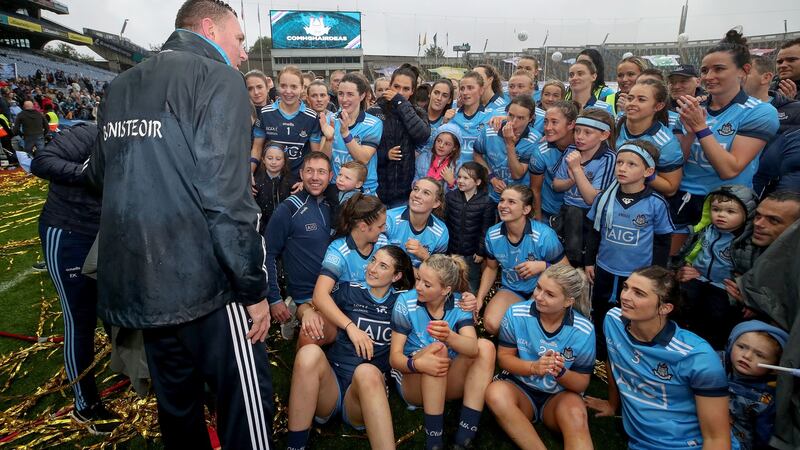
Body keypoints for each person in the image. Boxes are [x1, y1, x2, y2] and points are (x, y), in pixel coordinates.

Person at [86, 1, 274, 448]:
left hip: (142, 285)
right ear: (208, 28)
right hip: (207, 282)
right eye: (239, 39)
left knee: (177, 410)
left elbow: (99, 174)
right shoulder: (218, 78)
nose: (243, 53)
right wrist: (253, 289)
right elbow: (226, 200)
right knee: (246, 409)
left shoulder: (121, 85)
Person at [585, 266, 734, 450]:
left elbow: (717, 439)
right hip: (642, 443)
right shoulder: (613, 320)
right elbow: (614, 361)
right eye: (626, 287)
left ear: (665, 307)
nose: (625, 296)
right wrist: (612, 404)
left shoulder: (697, 356)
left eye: (638, 293)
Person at [31, 124, 119, 434]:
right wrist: (87, 171)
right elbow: (41, 161)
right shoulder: (88, 134)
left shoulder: (136, 139)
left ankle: (123, 368)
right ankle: (85, 406)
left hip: (105, 234)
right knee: (79, 320)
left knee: (113, 310)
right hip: (69, 232)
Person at [286, 246, 415, 450]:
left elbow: (439, 294)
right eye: (373, 261)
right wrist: (306, 313)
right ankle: (295, 445)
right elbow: (307, 305)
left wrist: (467, 300)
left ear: (397, 275)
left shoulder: (403, 303)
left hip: (363, 394)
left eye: (382, 266)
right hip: (331, 385)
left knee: (367, 371)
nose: (372, 268)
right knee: (309, 353)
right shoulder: (348, 290)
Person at [671, 29, 779, 247]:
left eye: (719, 69)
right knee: (672, 266)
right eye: (704, 70)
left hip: (725, 206)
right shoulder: (693, 108)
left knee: (709, 269)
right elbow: (676, 162)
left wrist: (700, 128)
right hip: (683, 198)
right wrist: (689, 135)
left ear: (743, 71)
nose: (709, 76)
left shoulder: (760, 112)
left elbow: (729, 169)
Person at [485, 264, 595, 450]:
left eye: (549, 294)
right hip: (521, 390)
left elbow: (581, 384)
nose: (538, 296)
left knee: (576, 413)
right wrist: (533, 368)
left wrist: (560, 372)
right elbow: (504, 358)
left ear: (568, 302)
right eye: (538, 287)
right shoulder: (516, 313)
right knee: (495, 393)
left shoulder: (583, 330)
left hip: (559, 397)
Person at [389, 254, 492, 450]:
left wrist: (450, 336)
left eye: (427, 285)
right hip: (414, 381)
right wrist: (417, 363)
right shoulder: (405, 302)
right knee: (438, 350)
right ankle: (434, 442)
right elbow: (395, 359)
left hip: (446, 379)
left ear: (446, 290)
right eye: (418, 279)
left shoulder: (460, 303)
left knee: (485, 346)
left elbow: (472, 348)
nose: (418, 287)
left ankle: (464, 438)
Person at [588, 140, 674, 358]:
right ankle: (600, 352)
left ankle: (627, 352)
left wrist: (656, 275)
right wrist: (589, 261)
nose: (622, 168)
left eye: (631, 164)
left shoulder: (656, 203)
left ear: (648, 170)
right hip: (605, 269)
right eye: (620, 162)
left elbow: (663, 241)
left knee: (631, 313)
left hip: (637, 275)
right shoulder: (604, 198)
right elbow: (594, 232)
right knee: (599, 309)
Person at [477, 185, 566, 335]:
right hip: (512, 289)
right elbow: (491, 268)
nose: (503, 205)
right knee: (491, 324)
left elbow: (566, 269)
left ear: (526, 209)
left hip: (542, 290)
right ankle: (513, 346)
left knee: (530, 325)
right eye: (502, 200)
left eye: (511, 202)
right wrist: (480, 298)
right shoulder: (493, 234)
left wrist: (544, 265)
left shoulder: (544, 235)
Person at [676, 185, 756, 349]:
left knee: (717, 315)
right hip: (698, 277)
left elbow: (754, 273)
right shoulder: (703, 230)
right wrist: (681, 267)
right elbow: (684, 252)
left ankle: (711, 348)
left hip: (724, 287)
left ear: (747, 215)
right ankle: (679, 339)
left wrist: (749, 298)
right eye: (716, 209)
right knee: (682, 302)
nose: (721, 215)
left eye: (730, 212)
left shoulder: (748, 242)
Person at [264, 152, 333, 336]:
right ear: (301, 174)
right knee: (316, 337)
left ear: (330, 176)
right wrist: (274, 299)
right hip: (306, 296)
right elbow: (267, 253)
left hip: (333, 294)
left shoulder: (332, 205)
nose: (315, 177)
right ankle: (295, 308)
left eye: (321, 172)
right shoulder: (289, 209)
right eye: (310, 171)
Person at [307, 194, 388, 347]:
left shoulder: (383, 244)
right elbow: (319, 295)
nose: (384, 229)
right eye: (380, 226)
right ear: (363, 226)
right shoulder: (339, 251)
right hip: (345, 314)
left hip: (375, 313)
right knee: (311, 332)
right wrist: (350, 327)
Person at [553, 109, 617, 268]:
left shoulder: (609, 158)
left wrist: (576, 170)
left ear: (604, 135)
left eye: (587, 132)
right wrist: (571, 180)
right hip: (567, 212)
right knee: (563, 260)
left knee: (581, 264)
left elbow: (591, 199)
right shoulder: (570, 150)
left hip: (589, 217)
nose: (579, 137)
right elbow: (556, 185)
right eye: (577, 131)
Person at [368, 64, 431, 208]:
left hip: (404, 191)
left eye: (406, 89)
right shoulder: (374, 111)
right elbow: (362, 149)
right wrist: (384, 154)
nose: (400, 92)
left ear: (412, 91)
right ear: (390, 86)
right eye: (396, 87)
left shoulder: (418, 112)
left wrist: (401, 103)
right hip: (377, 189)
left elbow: (423, 135)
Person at [251, 65, 322, 182]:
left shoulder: (311, 117)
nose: (288, 91)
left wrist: (305, 181)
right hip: (269, 180)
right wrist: (250, 173)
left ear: (302, 88)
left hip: (297, 182)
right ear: (278, 86)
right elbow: (257, 148)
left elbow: (314, 155)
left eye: (294, 86)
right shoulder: (265, 113)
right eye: (283, 86)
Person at [726, 190, 800, 299]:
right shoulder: (741, 243)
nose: (758, 223)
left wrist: (760, 304)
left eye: (773, 220)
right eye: (758, 216)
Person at [725, 320, 787, 450]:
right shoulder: (711, 363)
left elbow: (763, 438)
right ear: (731, 343)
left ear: (775, 367)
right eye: (741, 347)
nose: (746, 356)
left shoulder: (765, 400)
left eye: (760, 355)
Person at [617, 79, 685, 197]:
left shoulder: (665, 143)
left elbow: (671, 188)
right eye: (630, 98)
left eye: (641, 100)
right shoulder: (614, 123)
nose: (632, 103)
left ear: (658, 106)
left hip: (644, 205)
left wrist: (641, 173)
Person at [744, 55, 800, 196]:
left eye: (745, 71)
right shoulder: (718, 109)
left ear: (766, 77)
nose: (737, 76)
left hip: (771, 194)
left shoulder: (794, 110)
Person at [320, 72, 383, 196]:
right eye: (341, 94)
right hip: (336, 188)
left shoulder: (373, 123)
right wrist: (328, 139)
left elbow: (363, 158)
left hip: (363, 191)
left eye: (350, 94)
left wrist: (345, 133)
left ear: (362, 95)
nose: (344, 99)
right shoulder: (330, 120)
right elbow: (323, 159)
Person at [474, 95, 541, 203]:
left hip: (518, 200)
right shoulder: (490, 131)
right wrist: (492, 178)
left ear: (530, 118)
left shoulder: (534, 139)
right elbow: (477, 155)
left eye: (520, 118)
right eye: (510, 115)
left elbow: (517, 174)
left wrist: (510, 144)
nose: (514, 122)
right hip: (491, 195)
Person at [444, 162, 496, 293]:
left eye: (466, 178)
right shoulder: (450, 197)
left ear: (478, 182)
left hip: (471, 254)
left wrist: (480, 251)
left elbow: (486, 230)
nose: (460, 181)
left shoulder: (486, 202)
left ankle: (470, 310)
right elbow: (444, 222)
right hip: (451, 250)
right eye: (459, 177)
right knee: (449, 280)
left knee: (471, 283)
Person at [529, 101, 577, 224]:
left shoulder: (585, 148)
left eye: (554, 122)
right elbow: (535, 189)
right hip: (549, 212)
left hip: (578, 214)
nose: (548, 127)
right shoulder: (541, 151)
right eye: (545, 122)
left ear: (571, 124)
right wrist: (538, 220)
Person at [385, 177, 449, 268]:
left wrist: (425, 256)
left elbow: (438, 272)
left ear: (436, 203)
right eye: (415, 189)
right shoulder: (389, 219)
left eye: (426, 193)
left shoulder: (441, 232)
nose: (417, 195)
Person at [445, 71, 488, 165]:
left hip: (479, 176)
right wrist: (444, 124)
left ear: (481, 90)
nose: (465, 92)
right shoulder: (451, 115)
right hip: (453, 175)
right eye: (462, 88)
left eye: (470, 88)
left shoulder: (492, 116)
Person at [253, 143, 292, 234]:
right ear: (263, 159)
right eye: (270, 158)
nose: (273, 162)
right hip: (262, 230)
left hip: (286, 230)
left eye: (278, 159)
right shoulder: (255, 183)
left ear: (284, 161)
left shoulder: (291, 182)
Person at [414, 123, 462, 191]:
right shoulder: (422, 158)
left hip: (444, 201)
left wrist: (452, 182)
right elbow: (414, 182)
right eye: (439, 141)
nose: (441, 145)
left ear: (454, 147)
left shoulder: (458, 165)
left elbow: (460, 193)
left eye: (447, 144)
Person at [418, 79, 454, 155]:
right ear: (430, 94)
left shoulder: (451, 121)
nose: (439, 98)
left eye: (444, 95)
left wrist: (444, 125)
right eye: (436, 93)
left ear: (449, 100)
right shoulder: (416, 115)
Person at [12, 100, 48, 172]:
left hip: (28, 136)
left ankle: (30, 168)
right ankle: (42, 167)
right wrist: (43, 134)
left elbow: (16, 129)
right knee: (41, 152)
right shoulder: (39, 114)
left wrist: (20, 134)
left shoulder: (21, 115)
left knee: (28, 153)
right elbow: (47, 126)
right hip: (39, 135)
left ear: (24, 107)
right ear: (32, 106)